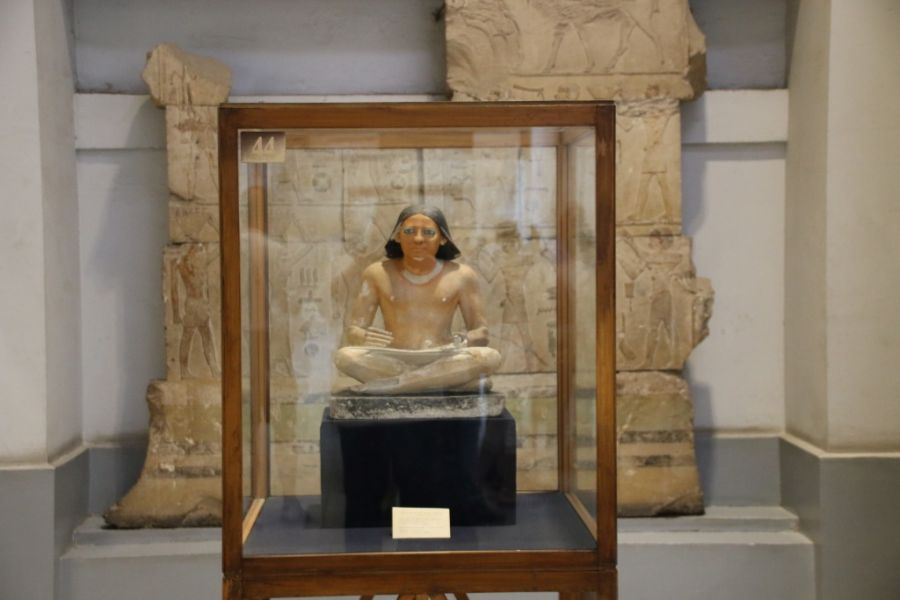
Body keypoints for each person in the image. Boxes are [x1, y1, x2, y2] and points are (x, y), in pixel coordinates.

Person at [334, 205, 501, 395]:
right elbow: (355, 329)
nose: (418, 239)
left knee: (489, 356)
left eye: (428, 232)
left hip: (442, 356)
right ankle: (445, 382)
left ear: (443, 238)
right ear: (398, 236)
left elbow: (481, 333)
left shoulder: (462, 275)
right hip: (393, 359)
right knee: (345, 357)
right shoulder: (377, 273)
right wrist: (361, 336)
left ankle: (397, 384)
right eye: (409, 231)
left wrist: (461, 340)